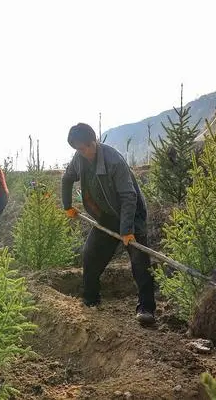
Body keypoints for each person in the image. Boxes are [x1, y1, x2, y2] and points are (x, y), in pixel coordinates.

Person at [61, 123, 156, 325]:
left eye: (83, 147)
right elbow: (67, 178)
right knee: (90, 255)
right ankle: (91, 299)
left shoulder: (114, 161)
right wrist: (67, 205)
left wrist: (127, 230)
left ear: (93, 142)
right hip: (106, 216)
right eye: (77, 149)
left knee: (140, 261)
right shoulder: (79, 159)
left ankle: (146, 308)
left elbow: (129, 196)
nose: (81, 153)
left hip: (132, 215)